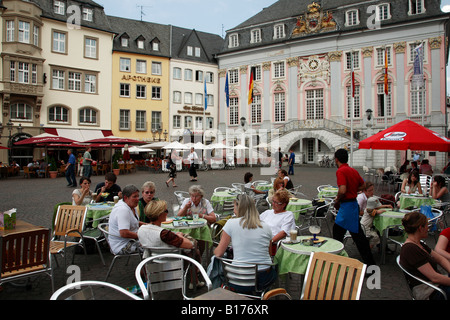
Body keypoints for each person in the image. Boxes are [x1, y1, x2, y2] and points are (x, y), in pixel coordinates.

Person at [214, 194, 276, 294]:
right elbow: (269, 254)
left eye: (234, 207)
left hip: (238, 279)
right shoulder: (266, 226)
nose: (233, 210)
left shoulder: (231, 223)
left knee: (216, 263)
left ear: (239, 207)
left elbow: (218, 253)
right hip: (263, 278)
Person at [333, 148, 376, 266]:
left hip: (347, 206)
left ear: (336, 159)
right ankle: (370, 263)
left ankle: (334, 260)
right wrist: (353, 190)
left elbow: (342, 190)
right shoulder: (353, 170)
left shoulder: (341, 171)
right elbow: (363, 185)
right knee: (354, 235)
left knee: (343, 235)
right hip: (352, 205)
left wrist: (338, 198)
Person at [399, 211, 450, 300]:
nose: (428, 229)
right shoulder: (410, 249)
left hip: (435, 286)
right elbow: (434, 277)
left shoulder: (419, 244)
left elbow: (440, 259)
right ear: (420, 228)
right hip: (430, 291)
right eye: (427, 226)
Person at [108, 185, 146, 255]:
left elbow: (134, 222)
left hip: (129, 240)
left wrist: (149, 225)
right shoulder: (123, 210)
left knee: (152, 240)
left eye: (138, 196)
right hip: (122, 245)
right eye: (134, 197)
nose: (138, 199)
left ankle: (148, 264)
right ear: (125, 198)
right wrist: (142, 236)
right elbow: (124, 233)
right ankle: (148, 264)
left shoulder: (131, 205)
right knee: (152, 245)